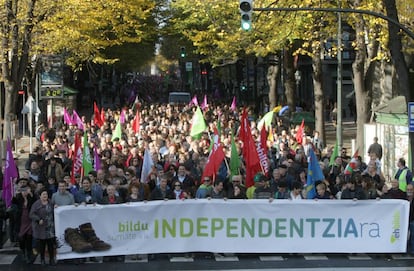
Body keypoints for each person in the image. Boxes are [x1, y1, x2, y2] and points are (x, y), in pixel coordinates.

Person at [29, 189, 56, 266]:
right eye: (43, 194)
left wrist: (56, 206)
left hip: (50, 227)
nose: (45, 196)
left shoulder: (51, 202)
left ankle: (51, 259)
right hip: (41, 227)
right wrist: (38, 219)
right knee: (42, 245)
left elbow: (55, 210)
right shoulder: (36, 204)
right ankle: (42, 259)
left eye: (46, 194)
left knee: (50, 244)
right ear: (40, 196)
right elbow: (31, 214)